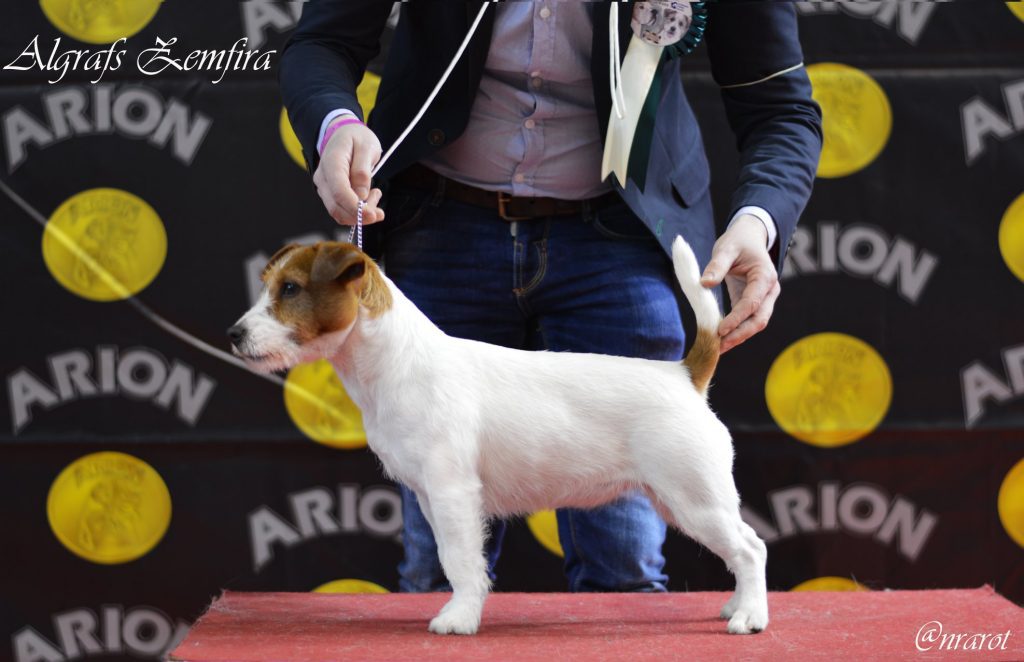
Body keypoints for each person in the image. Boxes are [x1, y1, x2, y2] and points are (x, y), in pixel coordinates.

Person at [280, 1, 822, 593]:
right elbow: (322, 44)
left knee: (623, 571)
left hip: (620, 237)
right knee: (436, 574)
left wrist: (759, 220)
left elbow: (779, 106)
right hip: (439, 225)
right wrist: (336, 123)